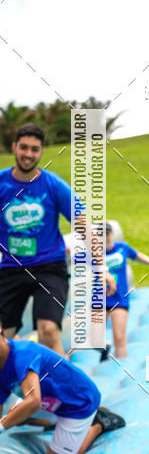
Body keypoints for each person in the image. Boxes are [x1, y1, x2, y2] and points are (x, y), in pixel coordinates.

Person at [0, 123, 113, 354]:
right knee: (3, 338)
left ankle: (63, 388)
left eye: (34, 149)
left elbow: (83, 227)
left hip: (48, 267)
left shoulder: (53, 185)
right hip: (11, 268)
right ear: (14, 147)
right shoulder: (2, 184)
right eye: (24, 148)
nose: (28, 154)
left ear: (42, 151)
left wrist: (102, 267)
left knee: (48, 331)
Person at [0, 334, 125, 454]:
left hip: (78, 403)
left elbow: (33, 401)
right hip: (52, 400)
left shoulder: (22, 353)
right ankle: (55, 423)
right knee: (15, 414)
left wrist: (2, 425)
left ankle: (98, 423)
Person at [96, 223, 149, 358]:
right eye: (101, 235)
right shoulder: (94, 253)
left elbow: (137, 255)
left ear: (111, 234)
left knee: (119, 337)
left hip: (119, 298)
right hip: (99, 298)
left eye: (106, 234)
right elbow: (76, 260)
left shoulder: (122, 248)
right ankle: (104, 349)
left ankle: (122, 367)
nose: (105, 238)